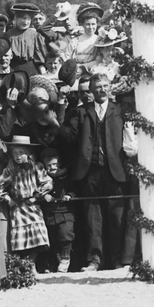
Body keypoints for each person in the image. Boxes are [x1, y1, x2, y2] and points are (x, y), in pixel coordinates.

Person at [59, 72, 137, 271]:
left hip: (115, 172)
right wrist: (57, 113)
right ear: (91, 91)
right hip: (89, 171)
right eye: (98, 87)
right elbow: (68, 137)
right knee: (93, 219)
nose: (102, 89)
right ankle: (94, 261)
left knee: (117, 218)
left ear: (110, 88)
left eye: (105, 86)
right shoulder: (81, 112)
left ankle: (117, 260)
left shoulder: (120, 110)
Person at [0, 136, 51, 256]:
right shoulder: (10, 170)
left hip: (32, 205)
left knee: (37, 237)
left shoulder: (36, 166)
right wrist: (8, 199)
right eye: (15, 153)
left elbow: (47, 182)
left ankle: (32, 263)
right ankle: (26, 266)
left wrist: (36, 197)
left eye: (21, 153)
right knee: (22, 240)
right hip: (18, 208)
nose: (18, 156)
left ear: (28, 153)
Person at [37, 147, 75, 273]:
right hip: (49, 213)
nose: (52, 167)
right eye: (48, 165)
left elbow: (74, 189)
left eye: (54, 164)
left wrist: (69, 195)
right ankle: (53, 262)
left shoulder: (66, 177)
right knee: (51, 238)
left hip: (65, 212)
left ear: (59, 163)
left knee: (65, 234)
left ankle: (65, 259)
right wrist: (44, 196)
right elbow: (36, 191)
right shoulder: (42, 179)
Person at [6, 1, 48, 79]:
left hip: (32, 71)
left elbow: (40, 60)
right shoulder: (9, 35)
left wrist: (44, 75)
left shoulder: (35, 36)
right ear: (16, 18)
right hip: (13, 70)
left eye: (28, 19)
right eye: (23, 18)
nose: (26, 22)